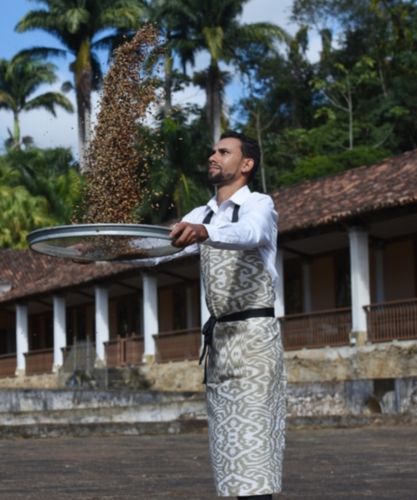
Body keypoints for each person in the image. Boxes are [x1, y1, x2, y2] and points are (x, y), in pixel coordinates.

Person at [167, 131, 286, 499]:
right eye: (213, 150)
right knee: (229, 453)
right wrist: (106, 246)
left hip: (254, 343)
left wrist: (206, 232)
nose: (213, 156)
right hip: (220, 346)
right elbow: (159, 248)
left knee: (255, 454)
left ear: (246, 164)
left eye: (224, 151)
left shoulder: (258, 205)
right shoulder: (201, 213)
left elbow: (251, 233)